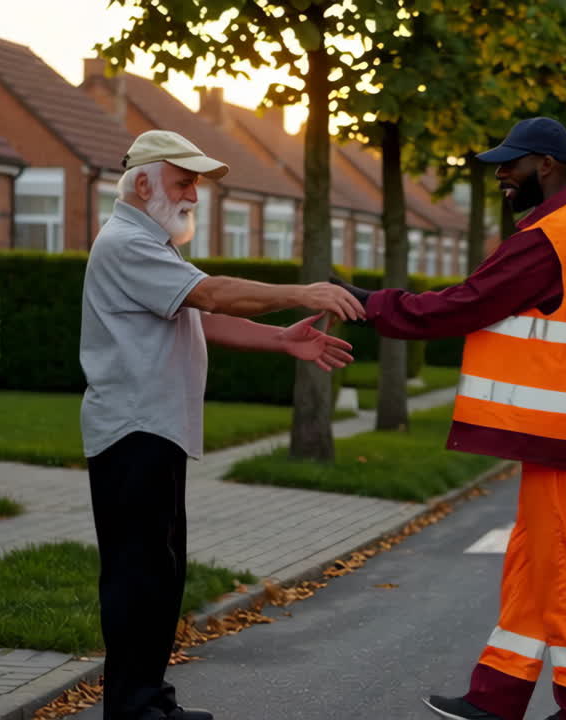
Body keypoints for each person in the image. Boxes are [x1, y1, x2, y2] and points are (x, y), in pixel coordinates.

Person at [332, 117, 566, 720]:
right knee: (532, 555)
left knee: (560, 567)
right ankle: (497, 694)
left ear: (545, 165)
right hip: (564, 430)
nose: (500, 174)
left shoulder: (554, 237)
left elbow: (469, 302)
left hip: (560, 431)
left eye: (511, 163)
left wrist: (371, 306)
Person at [81, 129, 363, 720]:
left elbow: (195, 316)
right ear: (142, 182)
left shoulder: (152, 247)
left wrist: (283, 340)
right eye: (184, 183)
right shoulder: (127, 244)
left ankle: (150, 700)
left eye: (195, 186)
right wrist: (302, 292)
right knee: (139, 578)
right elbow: (215, 295)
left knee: (160, 575)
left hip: (153, 432)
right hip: (133, 434)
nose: (192, 196)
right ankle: (133, 709)